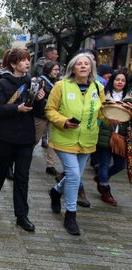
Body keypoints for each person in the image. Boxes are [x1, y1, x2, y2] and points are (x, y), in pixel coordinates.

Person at [46, 53, 107, 235]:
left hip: (87, 139)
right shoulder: (61, 85)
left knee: (75, 176)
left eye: (86, 64)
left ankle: (56, 191)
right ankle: (70, 215)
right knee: (73, 174)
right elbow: (49, 110)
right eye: (78, 64)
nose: (82, 66)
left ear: (91, 68)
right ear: (72, 68)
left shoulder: (98, 87)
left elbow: (102, 113)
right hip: (64, 138)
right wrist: (63, 121)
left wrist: (113, 117)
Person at [0, 48, 45, 232]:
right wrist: (16, 109)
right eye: (23, 60)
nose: (27, 63)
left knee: (22, 176)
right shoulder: (1, 83)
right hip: (6, 136)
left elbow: (38, 112)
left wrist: (41, 99)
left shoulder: (32, 83)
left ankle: (21, 215)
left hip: (26, 137)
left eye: (28, 60)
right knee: (1, 170)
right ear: (13, 64)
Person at [95, 71, 131, 206]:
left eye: (123, 80)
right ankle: (105, 190)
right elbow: (98, 113)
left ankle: (101, 178)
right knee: (104, 163)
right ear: (112, 81)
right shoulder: (104, 95)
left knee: (120, 165)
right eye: (117, 79)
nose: (120, 82)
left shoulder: (129, 98)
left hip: (121, 137)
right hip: (105, 134)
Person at [34, 61, 61, 176]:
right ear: (48, 69)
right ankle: (22, 156)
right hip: (41, 115)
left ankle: (50, 165)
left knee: (53, 141)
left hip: (54, 115)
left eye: (58, 70)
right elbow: (35, 97)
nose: (57, 72)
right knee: (35, 138)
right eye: (55, 69)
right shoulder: (41, 81)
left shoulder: (59, 82)